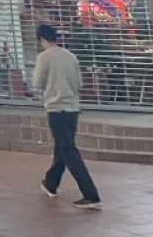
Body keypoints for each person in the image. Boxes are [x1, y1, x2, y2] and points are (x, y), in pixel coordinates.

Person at [34, 23, 101, 209]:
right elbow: (79, 83)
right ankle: (50, 183)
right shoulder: (71, 56)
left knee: (69, 150)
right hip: (73, 109)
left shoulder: (43, 58)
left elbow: (37, 82)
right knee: (62, 147)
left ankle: (91, 194)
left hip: (56, 108)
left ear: (42, 40)